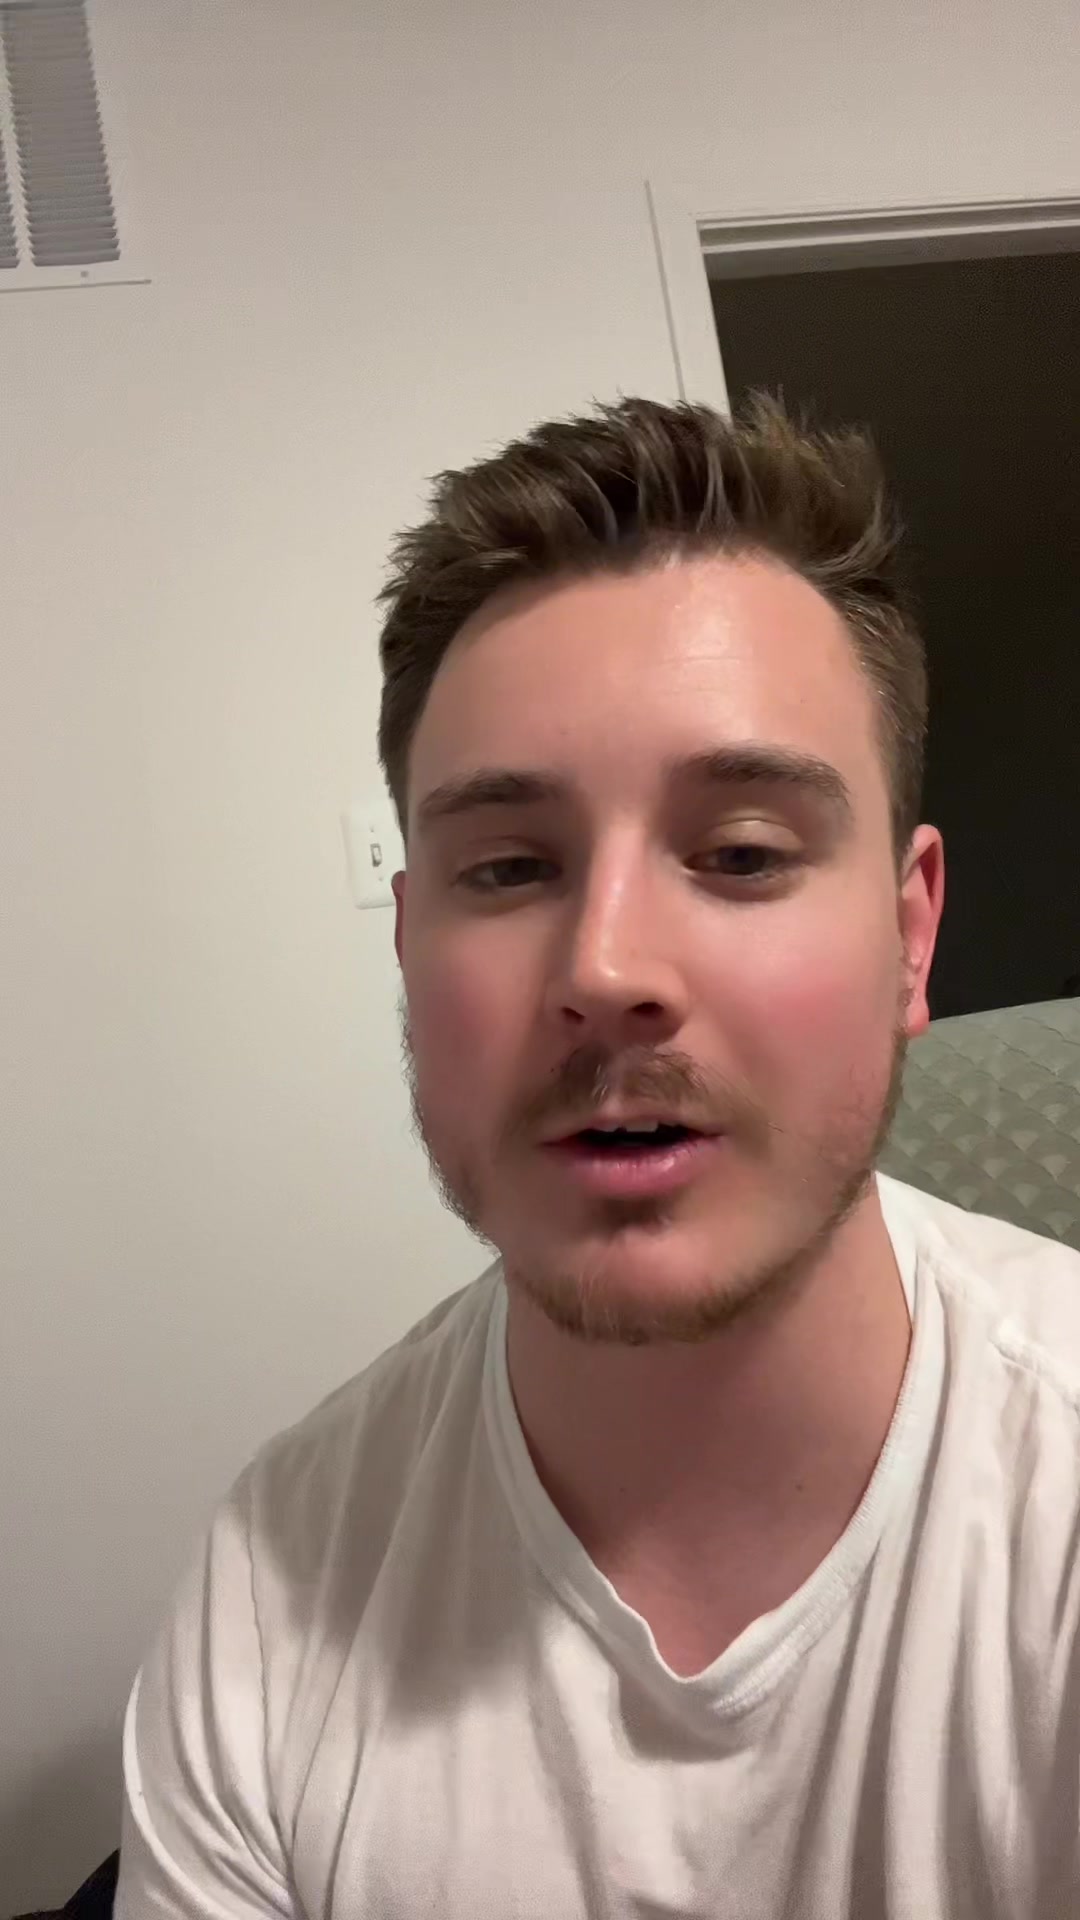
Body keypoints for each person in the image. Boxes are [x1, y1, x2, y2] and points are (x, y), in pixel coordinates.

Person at [114, 394, 1080, 1919]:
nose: (607, 966)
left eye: (742, 853)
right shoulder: (273, 1588)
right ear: (409, 944)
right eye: (508, 868)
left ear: (910, 934)